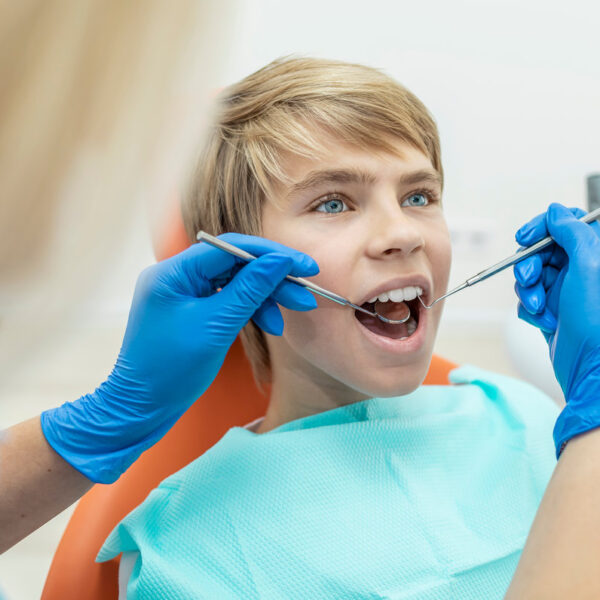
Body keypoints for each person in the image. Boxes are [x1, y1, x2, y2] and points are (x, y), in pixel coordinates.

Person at [89, 57, 600, 598]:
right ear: (235, 263)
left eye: (418, 197)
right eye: (333, 203)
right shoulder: (184, 551)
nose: (403, 233)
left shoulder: (526, 416)